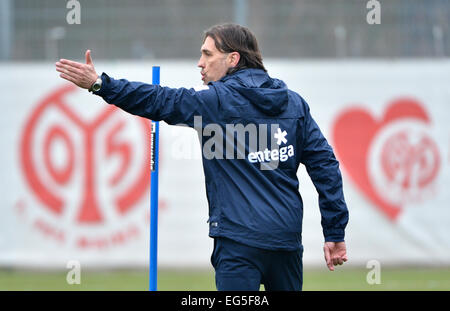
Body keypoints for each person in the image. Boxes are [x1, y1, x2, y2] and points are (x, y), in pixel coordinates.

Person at [55, 23, 349, 291]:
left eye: (207, 54)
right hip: (285, 242)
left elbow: (160, 100)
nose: (200, 63)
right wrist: (334, 230)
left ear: (232, 59)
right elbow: (326, 167)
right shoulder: (294, 103)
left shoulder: (217, 101)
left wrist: (101, 85)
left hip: (238, 243)